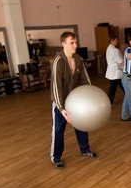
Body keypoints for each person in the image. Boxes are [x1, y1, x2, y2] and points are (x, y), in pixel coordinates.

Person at [50, 31, 98, 169]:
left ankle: (85, 150)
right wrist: (61, 108)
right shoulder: (58, 61)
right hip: (60, 102)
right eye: (72, 43)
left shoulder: (78, 60)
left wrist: (90, 96)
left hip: (76, 101)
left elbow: (85, 80)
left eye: (76, 42)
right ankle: (56, 157)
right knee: (58, 130)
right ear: (63, 44)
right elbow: (56, 87)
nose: (75, 45)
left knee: (81, 125)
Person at [105, 33, 124, 105]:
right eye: (116, 40)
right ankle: (130, 97)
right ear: (112, 40)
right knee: (120, 86)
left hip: (112, 71)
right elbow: (120, 61)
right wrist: (127, 69)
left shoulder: (108, 48)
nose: (117, 41)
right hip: (116, 72)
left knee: (114, 87)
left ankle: (109, 101)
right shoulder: (115, 50)